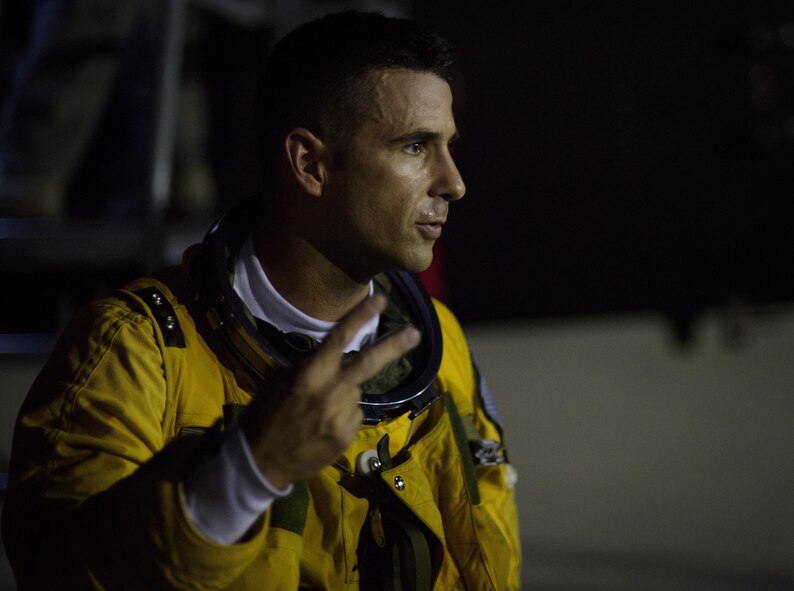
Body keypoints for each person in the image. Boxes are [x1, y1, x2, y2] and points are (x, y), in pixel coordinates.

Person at [1, 11, 521, 590]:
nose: (454, 182)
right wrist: (245, 474)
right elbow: (61, 569)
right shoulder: (132, 351)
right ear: (310, 164)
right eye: (416, 146)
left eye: (448, 145)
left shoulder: (437, 345)